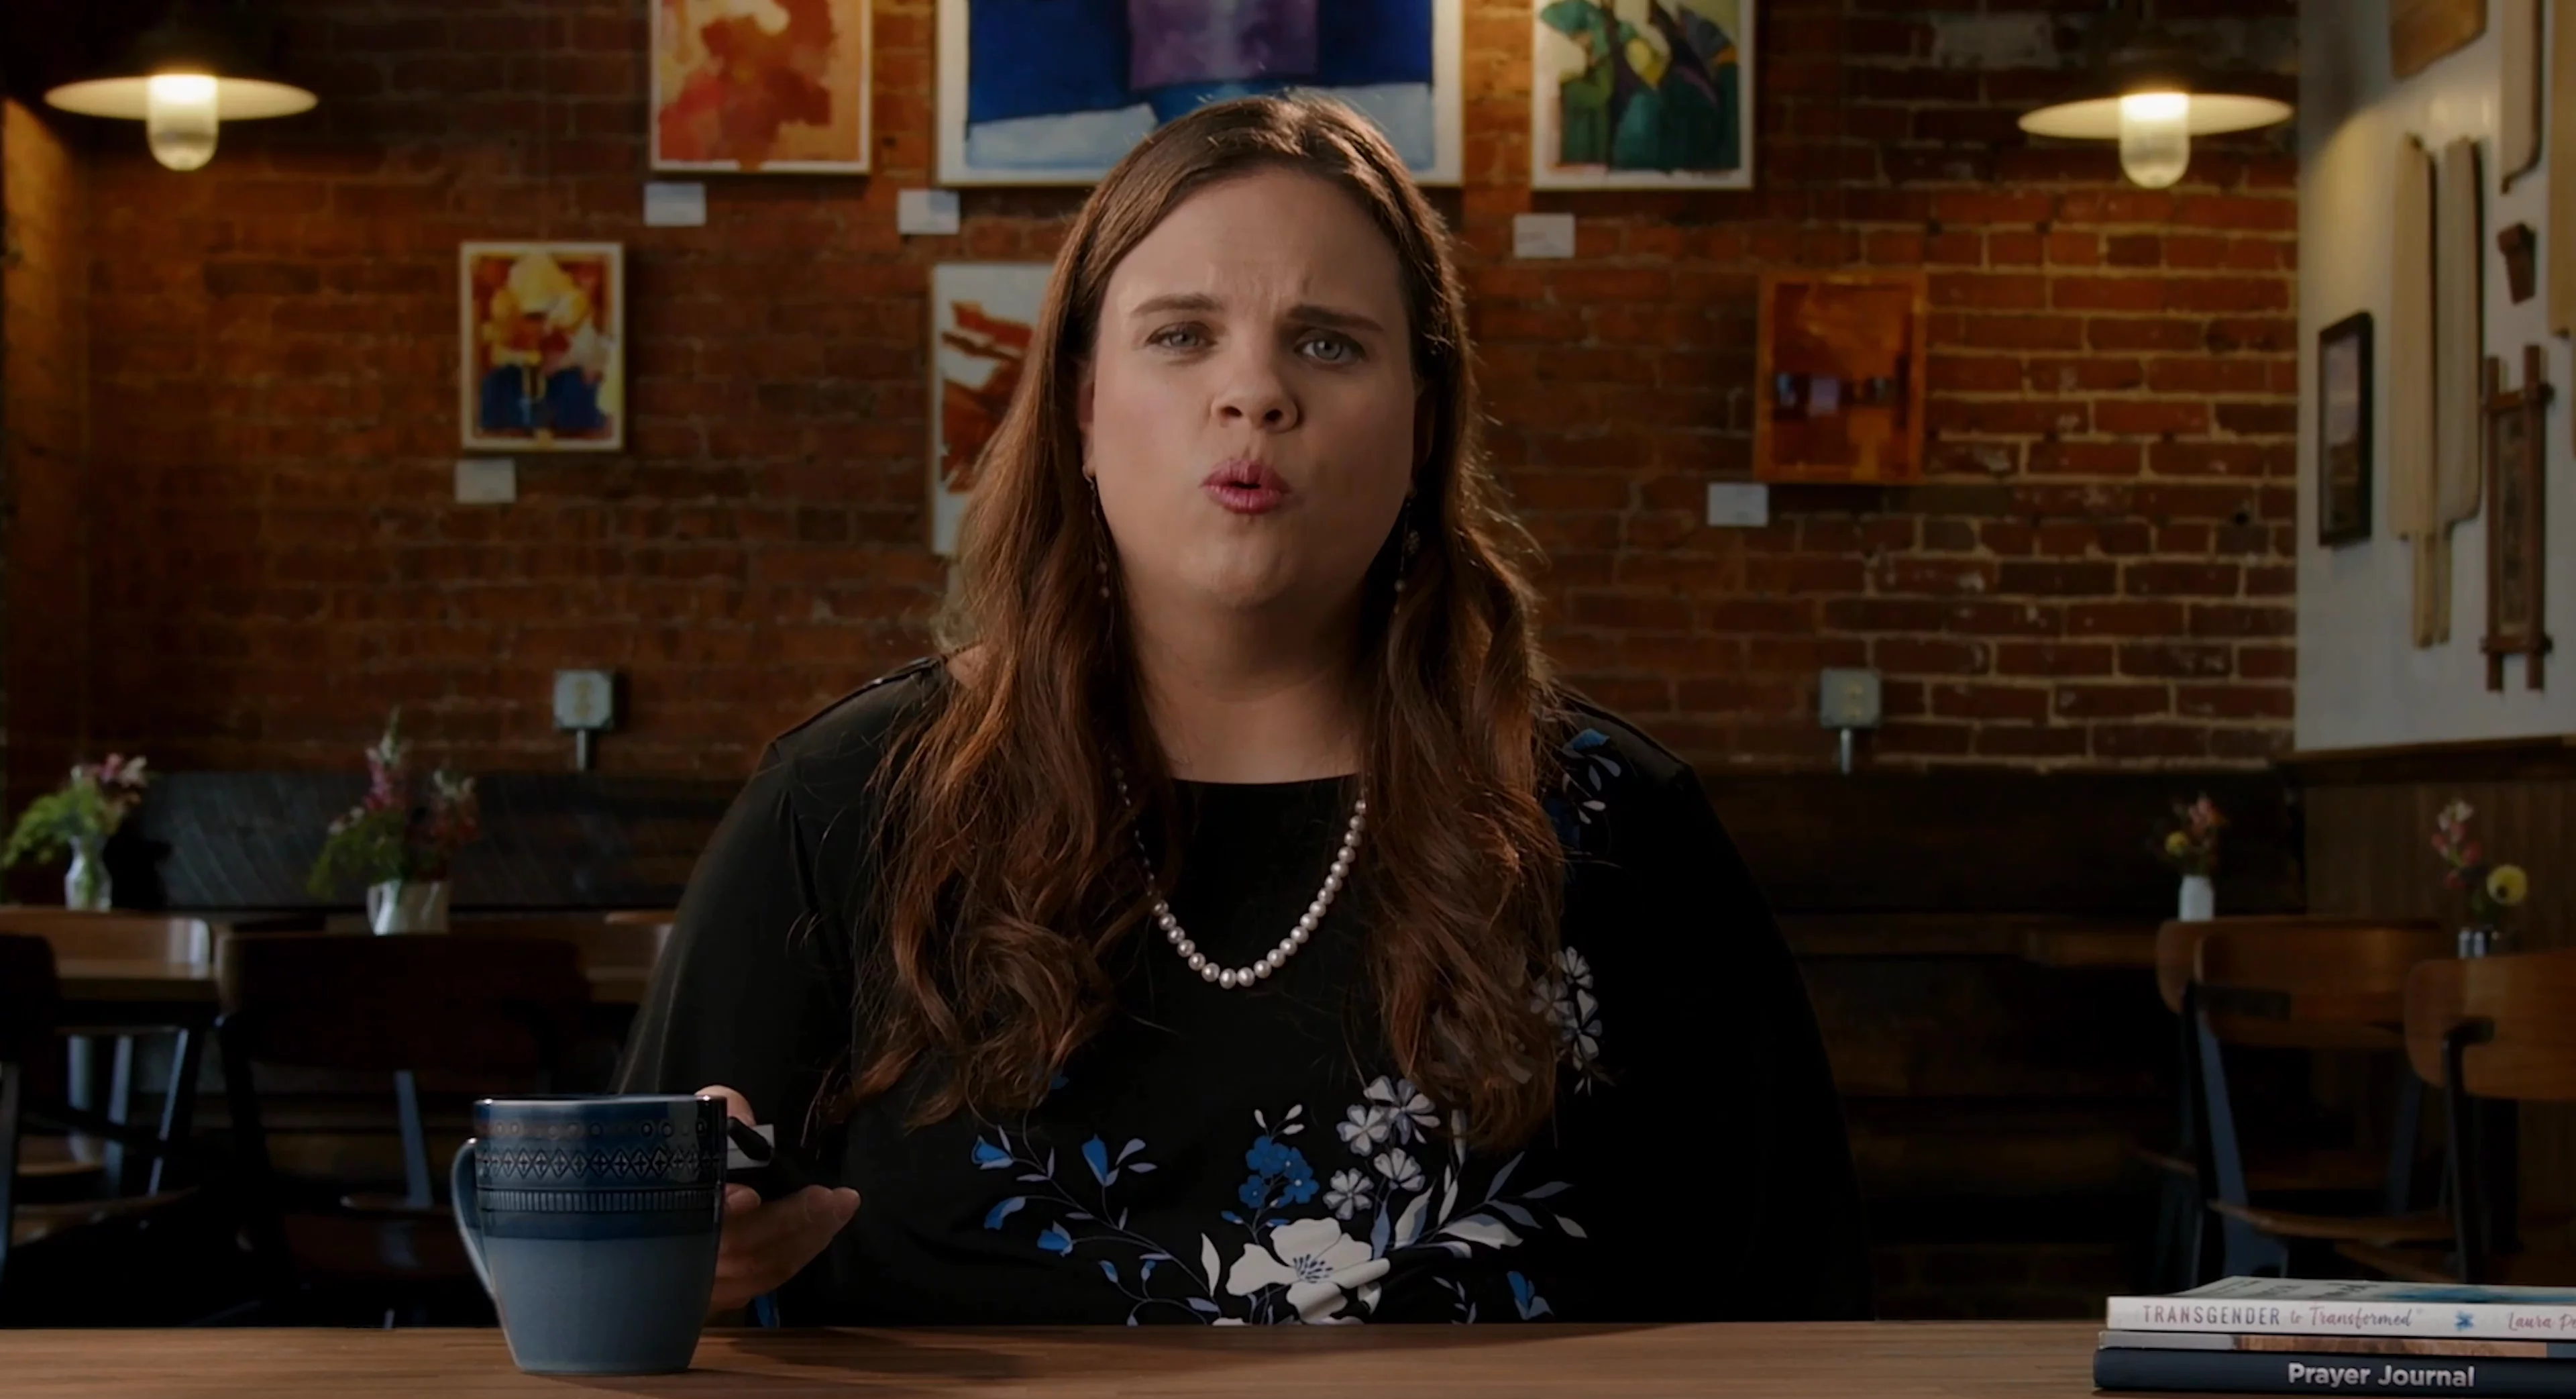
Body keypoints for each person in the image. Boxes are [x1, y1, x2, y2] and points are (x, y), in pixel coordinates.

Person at [616, 93, 1869, 1326]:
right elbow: (604, 1286)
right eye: (1182, 335)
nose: (1256, 393)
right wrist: (668, 1260)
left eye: (1329, 343)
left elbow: (1800, 1324)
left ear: (1424, 424)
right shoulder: (848, 806)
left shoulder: (1615, 829)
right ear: (1082, 406)